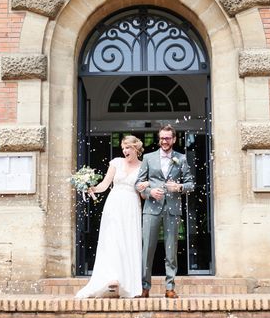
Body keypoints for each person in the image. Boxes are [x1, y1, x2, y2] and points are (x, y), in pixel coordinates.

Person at [75, 135, 146, 299]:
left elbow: (142, 195)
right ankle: (112, 277)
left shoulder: (143, 167)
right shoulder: (116, 163)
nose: (124, 151)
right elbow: (105, 185)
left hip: (131, 206)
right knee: (113, 239)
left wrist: (145, 186)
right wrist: (91, 188)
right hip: (114, 204)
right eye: (123, 148)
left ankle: (127, 282)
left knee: (128, 240)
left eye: (127, 148)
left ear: (136, 149)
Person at [135, 125, 195, 299]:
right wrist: (149, 192)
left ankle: (170, 287)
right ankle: (144, 287)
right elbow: (138, 184)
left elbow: (190, 184)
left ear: (174, 139)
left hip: (172, 209)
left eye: (168, 138)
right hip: (151, 209)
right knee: (147, 249)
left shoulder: (181, 159)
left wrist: (179, 187)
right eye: (162, 138)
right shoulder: (148, 158)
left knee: (171, 250)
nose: (164, 141)